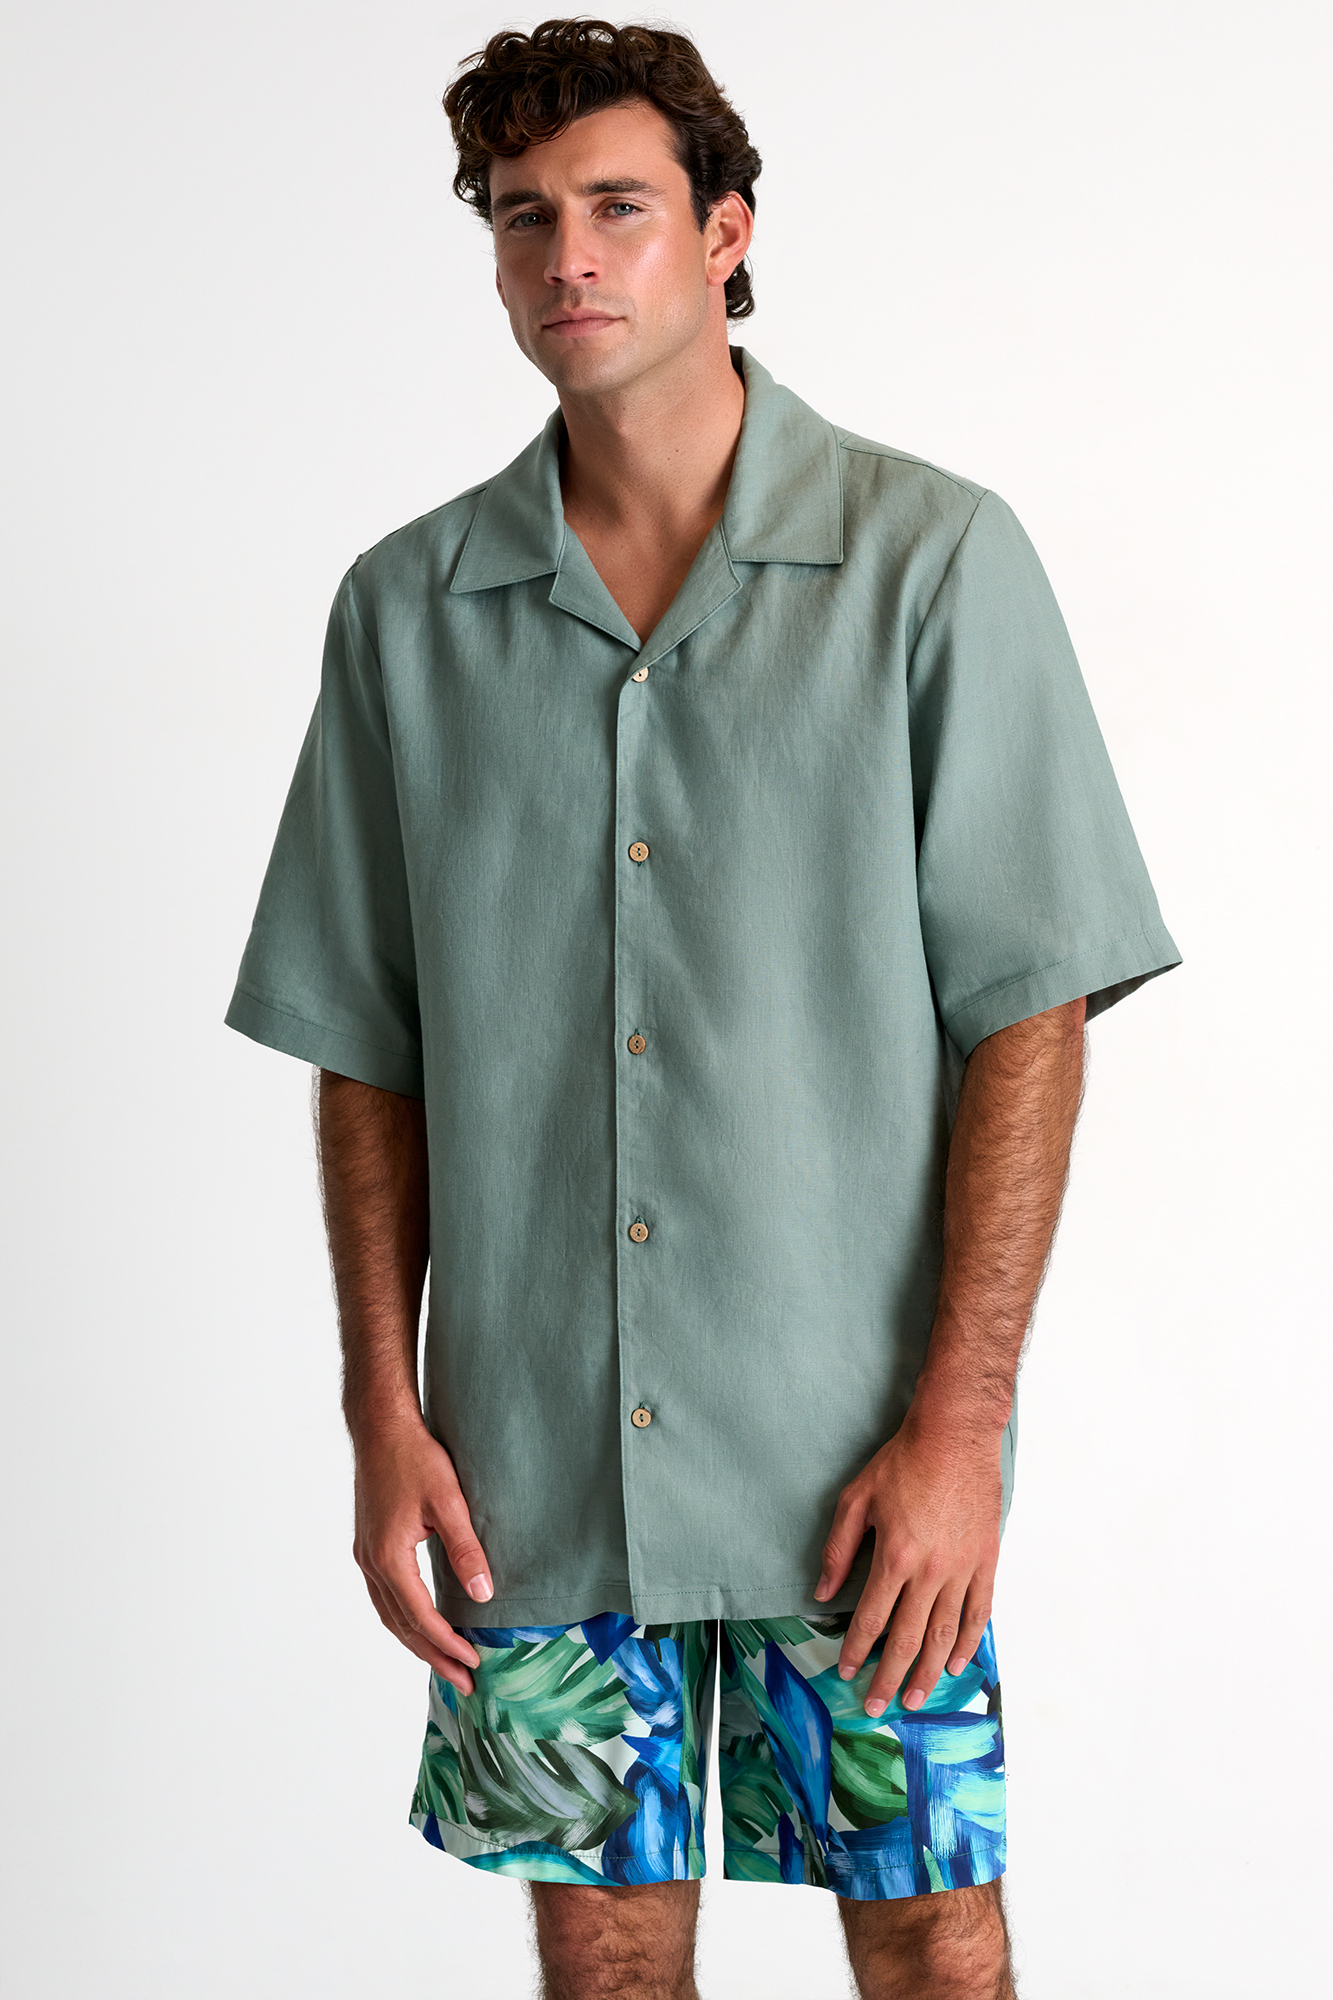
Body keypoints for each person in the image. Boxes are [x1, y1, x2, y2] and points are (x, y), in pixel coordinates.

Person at [224, 18, 1180, 1997]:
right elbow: (367, 1047)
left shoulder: (930, 563)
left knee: (930, 1938)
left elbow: (1030, 1015)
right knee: (603, 1956)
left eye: (617, 207)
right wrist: (381, 1408)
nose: (564, 256)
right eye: (521, 217)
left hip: (861, 1462)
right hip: (535, 1468)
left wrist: (961, 1421)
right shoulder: (405, 612)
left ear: (725, 232)